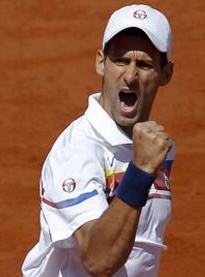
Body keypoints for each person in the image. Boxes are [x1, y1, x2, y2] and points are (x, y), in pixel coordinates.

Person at [22, 4, 175, 277]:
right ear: (100, 63)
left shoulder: (153, 145)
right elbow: (98, 260)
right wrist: (140, 172)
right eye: (120, 60)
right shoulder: (77, 152)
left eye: (144, 64)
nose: (130, 76)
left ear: (165, 74)